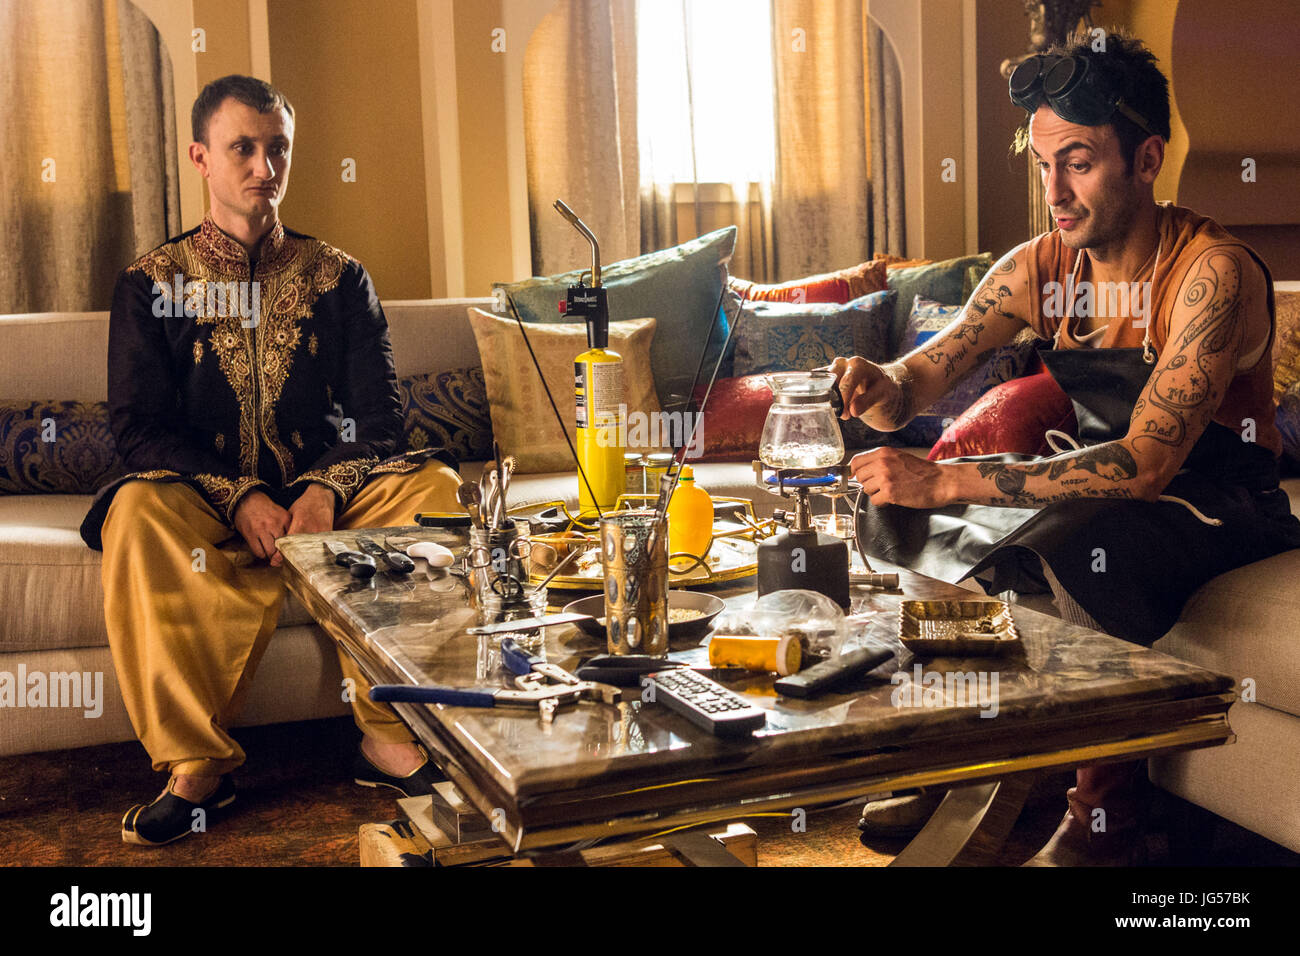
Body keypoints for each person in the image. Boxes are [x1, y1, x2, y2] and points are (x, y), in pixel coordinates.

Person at [829, 30, 1300, 864]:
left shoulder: (1212, 274)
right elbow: (917, 383)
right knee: (904, 516)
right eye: (1044, 164)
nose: (1054, 191)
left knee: (1073, 537)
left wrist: (950, 481)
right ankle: (967, 762)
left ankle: (1104, 818)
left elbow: (1146, 463)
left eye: (1078, 163)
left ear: (1147, 160)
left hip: (1218, 506)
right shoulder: (1042, 266)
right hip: (1091, 492)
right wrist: (880, 384)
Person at [79, 75, 462, 845]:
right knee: (136, 510)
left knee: (437, 488)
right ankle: (198, 769)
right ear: (200, 157)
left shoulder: (340, 277)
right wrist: (239, 495)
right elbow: (139, 430)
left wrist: (323, 490)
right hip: (207, 507)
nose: (265, 167)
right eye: (243, 149)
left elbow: (380, 419)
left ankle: (389, 740)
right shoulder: (150, 284)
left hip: (333, 505)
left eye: (277, 148)